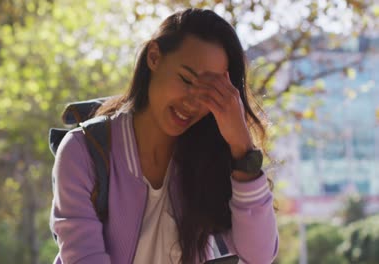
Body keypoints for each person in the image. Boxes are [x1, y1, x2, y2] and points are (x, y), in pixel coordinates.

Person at [50, 8, 278, 264]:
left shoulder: (212, 160)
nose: (193, 102)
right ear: (154, 57)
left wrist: (241, 147)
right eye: (186, 80)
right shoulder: (83, 151)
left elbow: (258, 257)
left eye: (210, 91)